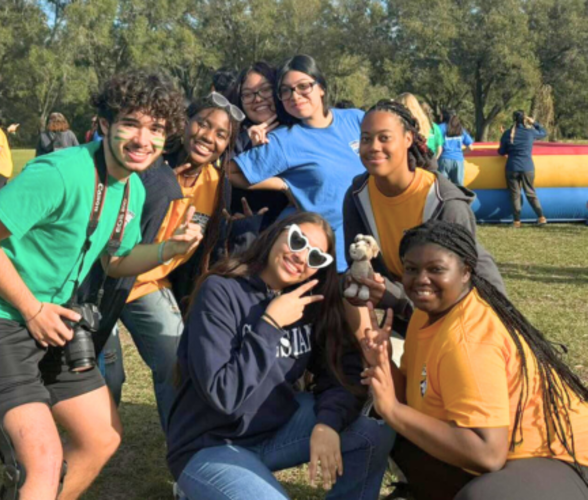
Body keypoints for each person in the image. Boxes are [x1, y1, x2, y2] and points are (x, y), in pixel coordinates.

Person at [0, 69, 192, 500]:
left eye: (157, 129)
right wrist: (32, 309)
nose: (143, 139)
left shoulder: (133, 188)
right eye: (131, 123)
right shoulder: (61, 171)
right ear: (106, 124)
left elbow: (115, 261)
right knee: (42, 459)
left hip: (51, 321)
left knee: (100, 438)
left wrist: (169, 249)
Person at [166, 212, 395, 500]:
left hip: (273, 431)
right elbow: (223, 395)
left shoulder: (308, 301)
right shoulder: (220, 291)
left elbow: (338, 372)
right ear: (278, 232)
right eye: (297, 241)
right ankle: (199, 487)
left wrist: (328, 423)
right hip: (209, 443)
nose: (302, 257)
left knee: (371, 431)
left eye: (316, 258)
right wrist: (271, 325)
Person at [362, 220, 588, 500]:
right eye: (411, 269)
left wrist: (393, 410)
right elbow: (412, 396)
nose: (421, 279)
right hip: (510, 453)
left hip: (564, 458)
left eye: (436, 269)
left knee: (484, 497)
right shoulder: (426, 314)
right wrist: (383, 363)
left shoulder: (468, 339)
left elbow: (487, 454)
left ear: (466, 271)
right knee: (395, 432)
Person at [92, 92, 242, 422]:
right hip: (103, 282)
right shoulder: (145, 164)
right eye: (202, 123)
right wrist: (156, 189)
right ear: (184, 123)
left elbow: (208, 250)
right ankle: (87, 443)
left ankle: (180, 446)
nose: (208, 136)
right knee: (107, 379)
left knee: (176, 358)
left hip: (148, 284)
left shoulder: (216, 185)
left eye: (221, 134)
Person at [343, 100, 504, 336]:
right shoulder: (358, 195)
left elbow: (462, 291)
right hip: (406, 321)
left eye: (384, 138)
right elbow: (358, 264)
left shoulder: (445, 203)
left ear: (408, 139)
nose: (374, 147)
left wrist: (394, 297)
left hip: (462, 324)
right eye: (366, 139)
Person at [229, 54, 366, 274]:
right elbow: (229, 172)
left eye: (303, 86)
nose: (295, 95)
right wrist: (284, 184)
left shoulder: (356, 119)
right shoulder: (284, 140)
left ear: (321, 87)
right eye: (286, 90)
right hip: (325, 260)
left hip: (372, 247)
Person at [228, 61, 290, 228]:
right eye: (248, 94)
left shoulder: (297, 131)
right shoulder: (231, 137)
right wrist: (245, 143)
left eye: (265, 89)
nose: (258, 99)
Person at [498, 111, 547, 228]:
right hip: (527, 167)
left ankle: (517, 221)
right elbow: (544, 133)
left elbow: (501, 152)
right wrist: (534, 123)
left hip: (512, 167)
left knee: (515, 195)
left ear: (513, 119)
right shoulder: (530, 132)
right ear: (525, 119)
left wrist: (504, 139)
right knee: (531, 193)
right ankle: (541, 217)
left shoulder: (508, 133)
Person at [437, 110, 473, 186]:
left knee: (443, 187)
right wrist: (460, 153)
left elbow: (439, 149)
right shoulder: (460, 129)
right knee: (459, 188)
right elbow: (470, 147)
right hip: (458, 160)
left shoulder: (439, 128)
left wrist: (434, 159)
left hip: (444, 160)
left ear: (444, 116)